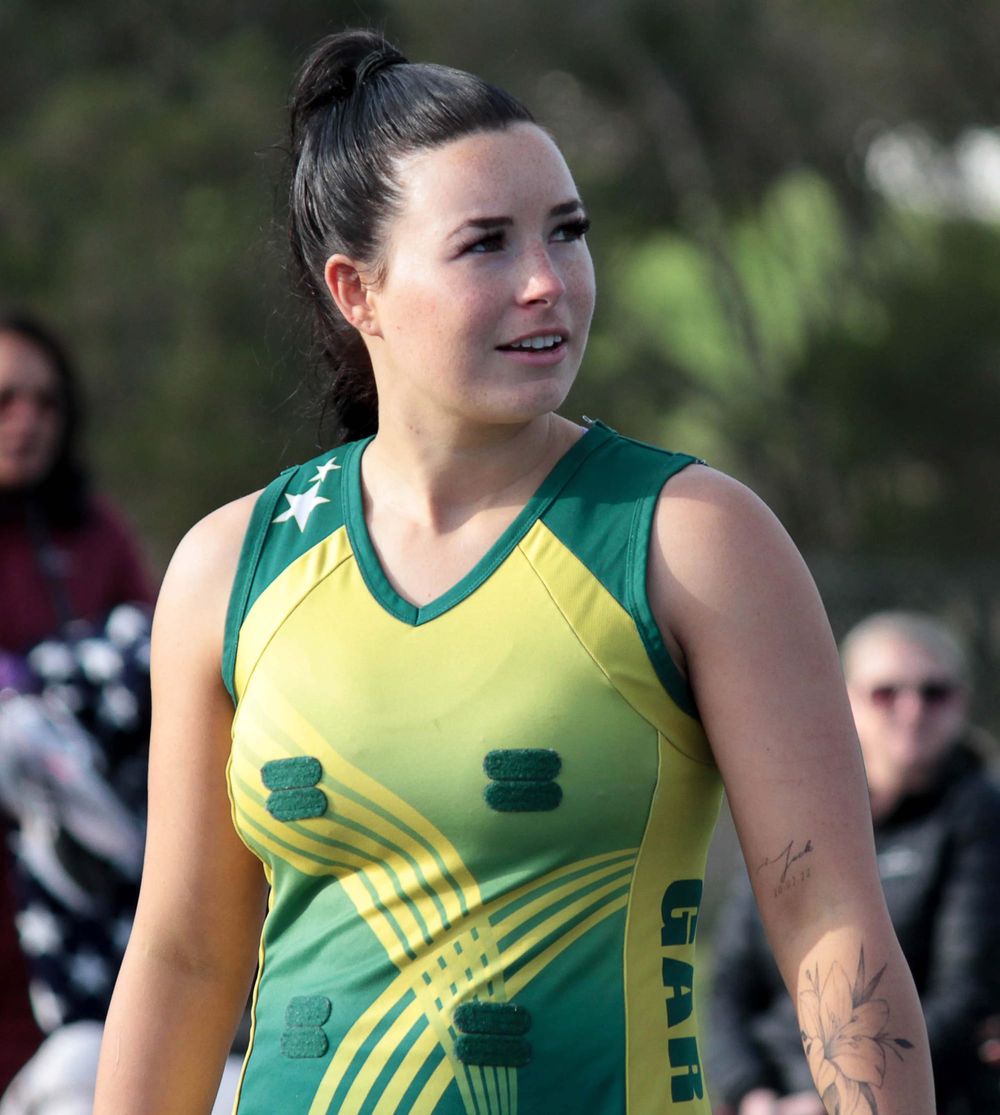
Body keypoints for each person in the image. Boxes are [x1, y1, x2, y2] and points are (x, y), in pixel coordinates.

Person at [93, 30, 936, 1114]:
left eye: (568, 232)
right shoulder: (231, 563)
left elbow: (829, 922)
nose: (548, 281)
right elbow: (186, 957)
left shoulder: (690, 534)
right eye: (486, 243)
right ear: (358, 290)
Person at [707, 611, 1000, 1115]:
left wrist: (826, 1103)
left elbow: (964, 997)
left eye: (935, 693)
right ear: (845, 701)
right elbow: (730, 983)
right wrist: (752, 1096)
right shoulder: (793, 813)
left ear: (962, 703)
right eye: (886, 693)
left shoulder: (978, 816)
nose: (912, 710)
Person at [0, 311, 157, 1100]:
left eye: (46, 402)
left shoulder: (96, 535)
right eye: (4, 401)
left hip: (94, 898)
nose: (27, 421)